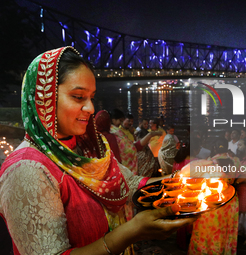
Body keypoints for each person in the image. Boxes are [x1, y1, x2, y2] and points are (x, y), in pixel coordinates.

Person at [0, 47, 196, 255]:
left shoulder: (90, 146)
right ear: (43, 100)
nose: (91, 108)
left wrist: (181, 178)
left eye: (91, 97)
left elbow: (127, 183)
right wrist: (131, 232)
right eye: (78, 97)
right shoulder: (27, 170)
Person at [188, 139, 239, 255]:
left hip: (211, 199)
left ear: (214, 149)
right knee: (224, 230)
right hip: (230, 200)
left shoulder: (208, 162)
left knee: (207, 230)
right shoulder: (235, 160)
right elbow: (234, 178)